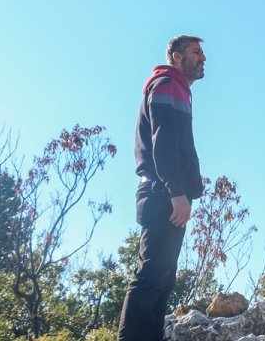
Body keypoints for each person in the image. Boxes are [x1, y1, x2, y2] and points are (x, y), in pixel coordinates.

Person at [118, 35, 207, 341]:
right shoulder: (168, 84)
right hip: (162, 193)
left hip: (164, 192)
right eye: (196, 53)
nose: (203, 58)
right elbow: (164, 139)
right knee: (151, 277)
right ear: (177, 57)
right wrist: (177, 192)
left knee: (163, 279)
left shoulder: (177, 89)